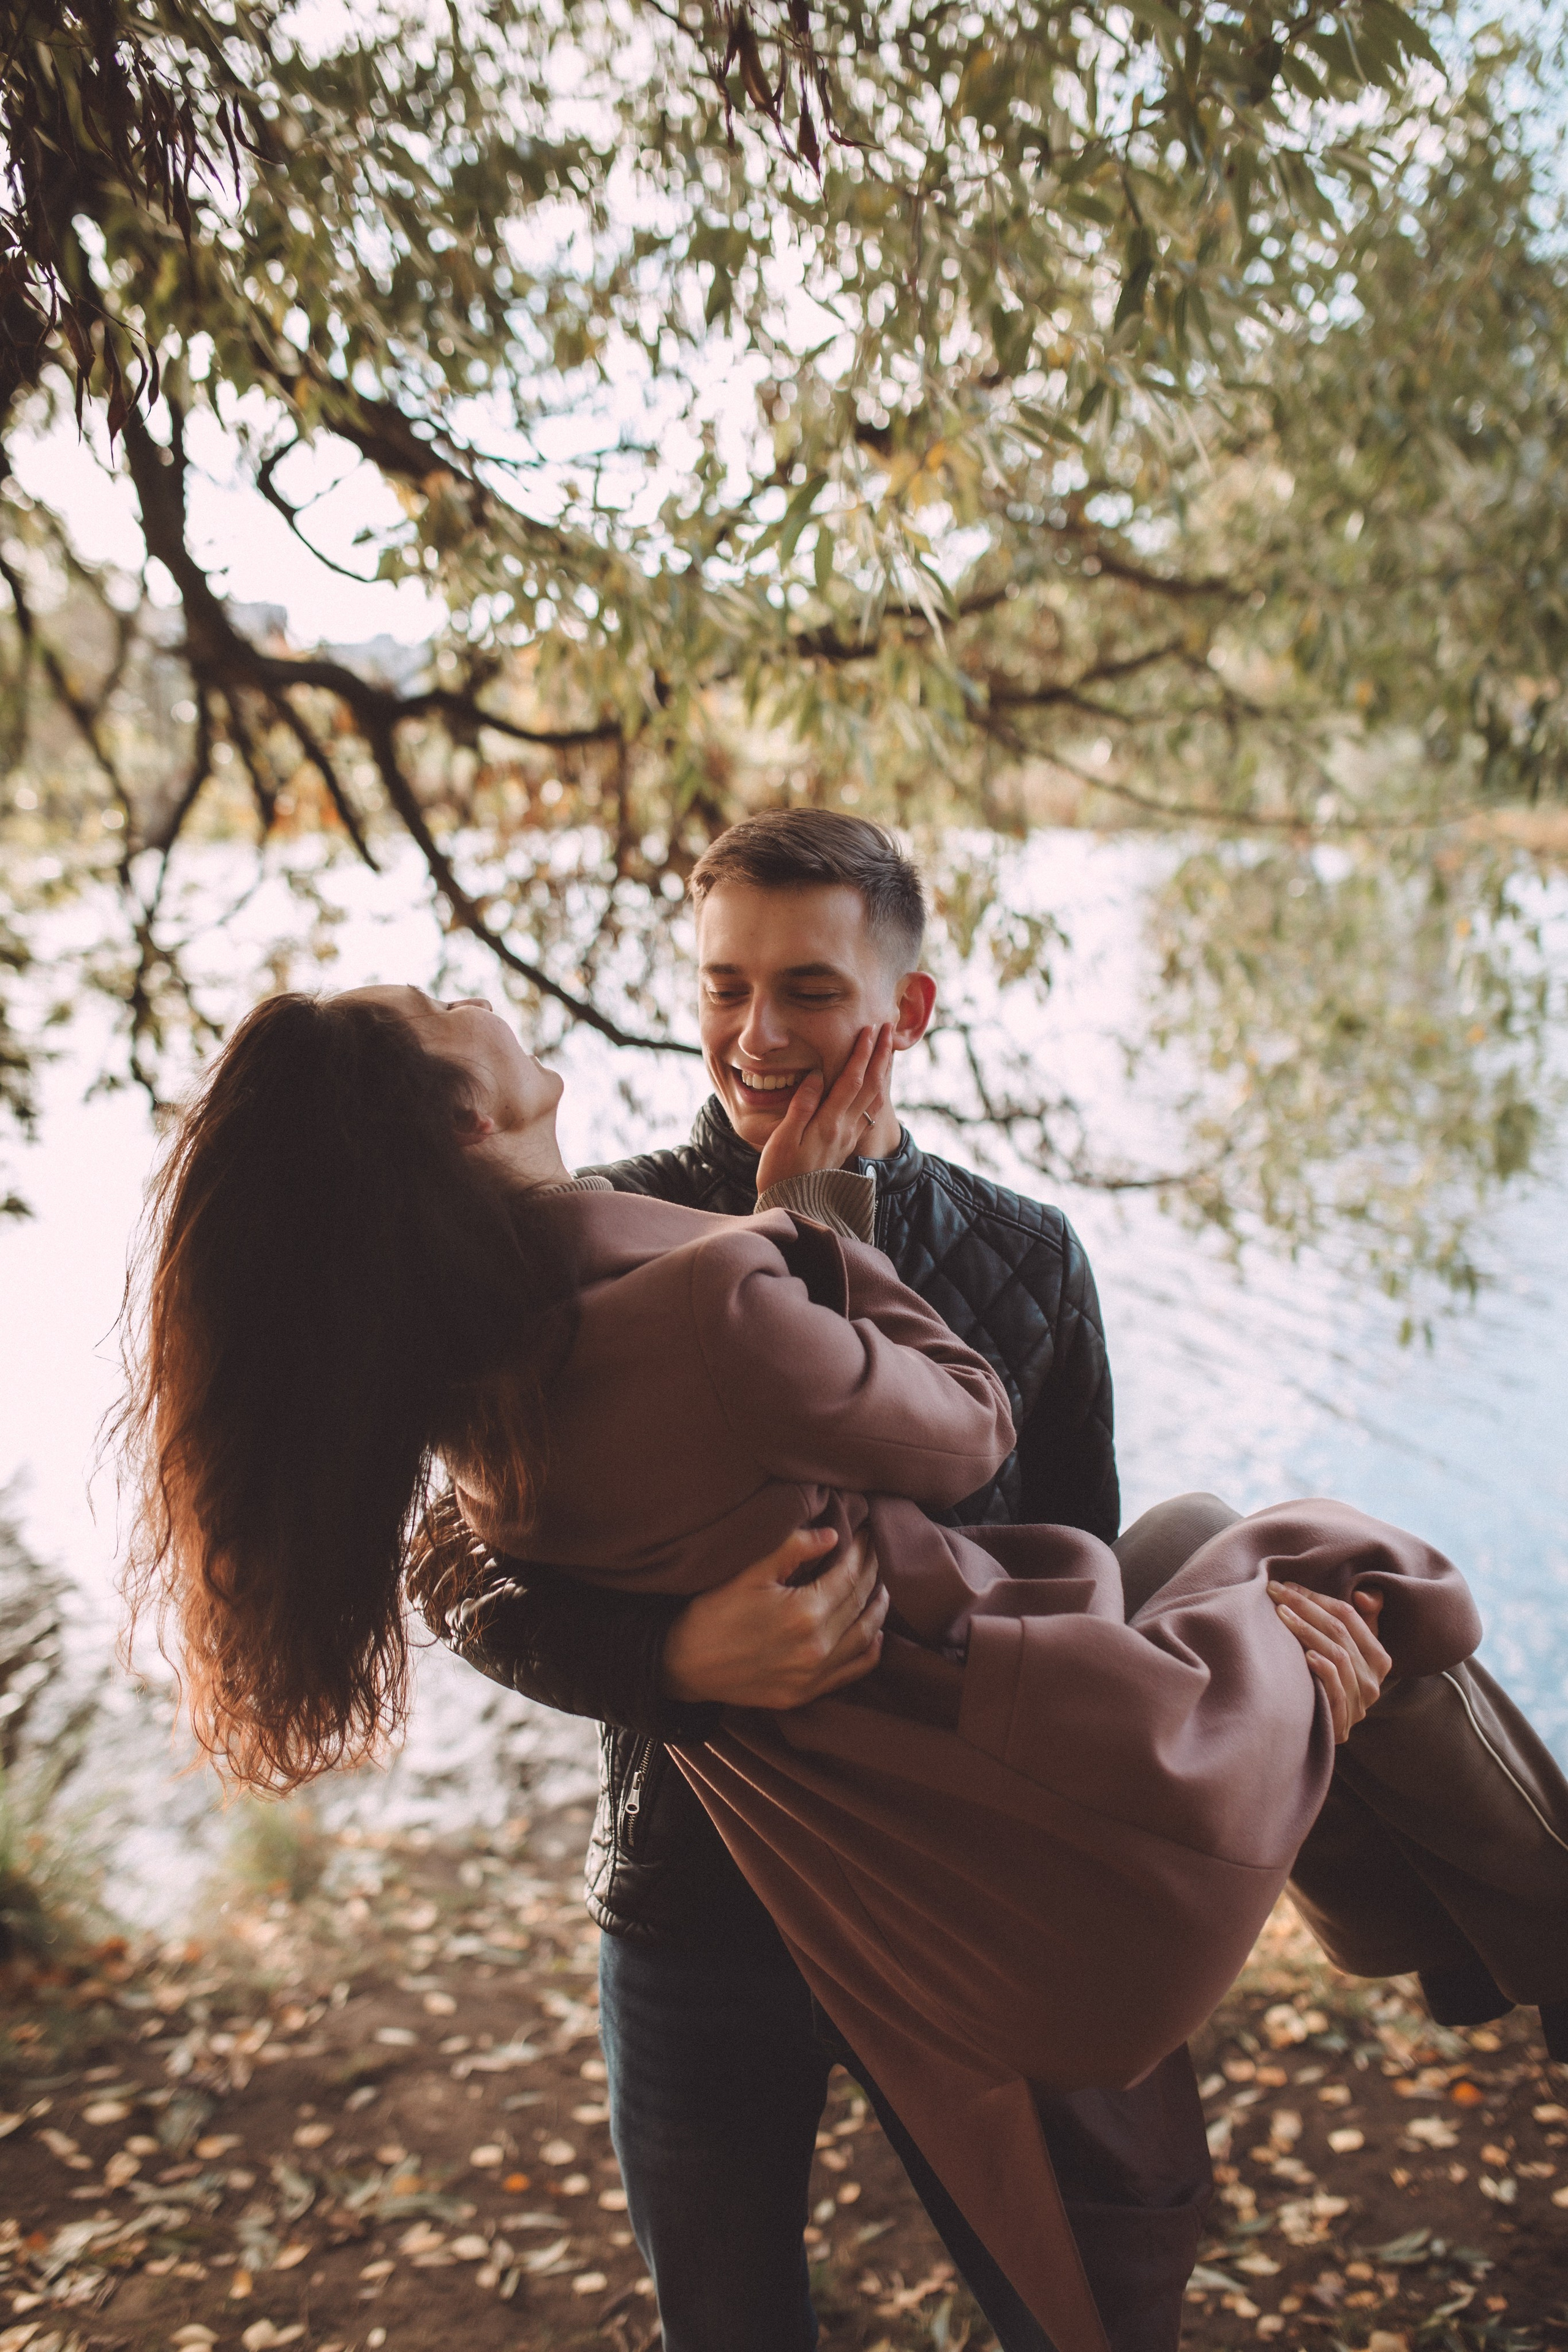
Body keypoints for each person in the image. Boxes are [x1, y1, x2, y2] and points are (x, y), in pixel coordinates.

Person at [112, 925, 1405, 2352]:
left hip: (954, 1879)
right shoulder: (547, 1240)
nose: (756, 1032)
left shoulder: (1026, 1253)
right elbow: (447, 1556)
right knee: (722, 2322)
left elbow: (1078, 1562)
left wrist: (1246, 1678)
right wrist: (669, 1665)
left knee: (1072, 2295)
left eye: (807, 991)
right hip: (691, 1908)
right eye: (724, 987)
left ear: (901, 1011)